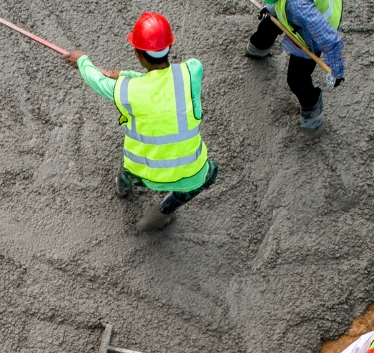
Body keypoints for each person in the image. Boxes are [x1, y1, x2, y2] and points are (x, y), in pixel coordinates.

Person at [66, 13, 218, 232]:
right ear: (169, 46)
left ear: (138, 54)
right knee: (209, 173)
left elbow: (98, 81)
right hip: (190, 175)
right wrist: (126, 75)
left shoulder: (126, 89)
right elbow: (161, 81)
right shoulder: (192, 70)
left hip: (144, 173)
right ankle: (164, 210)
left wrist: (82, 61)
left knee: (128, 169)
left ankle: (123, 185)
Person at [246, 0, 345, 130]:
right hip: (301, 9)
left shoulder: (299, 8)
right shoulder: (296, 7)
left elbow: (331, 40)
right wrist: (271, 9)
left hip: (312, 34)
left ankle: (312, 109)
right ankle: (259, 46)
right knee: (269, 22)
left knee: (297, 79)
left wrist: (336, 72)